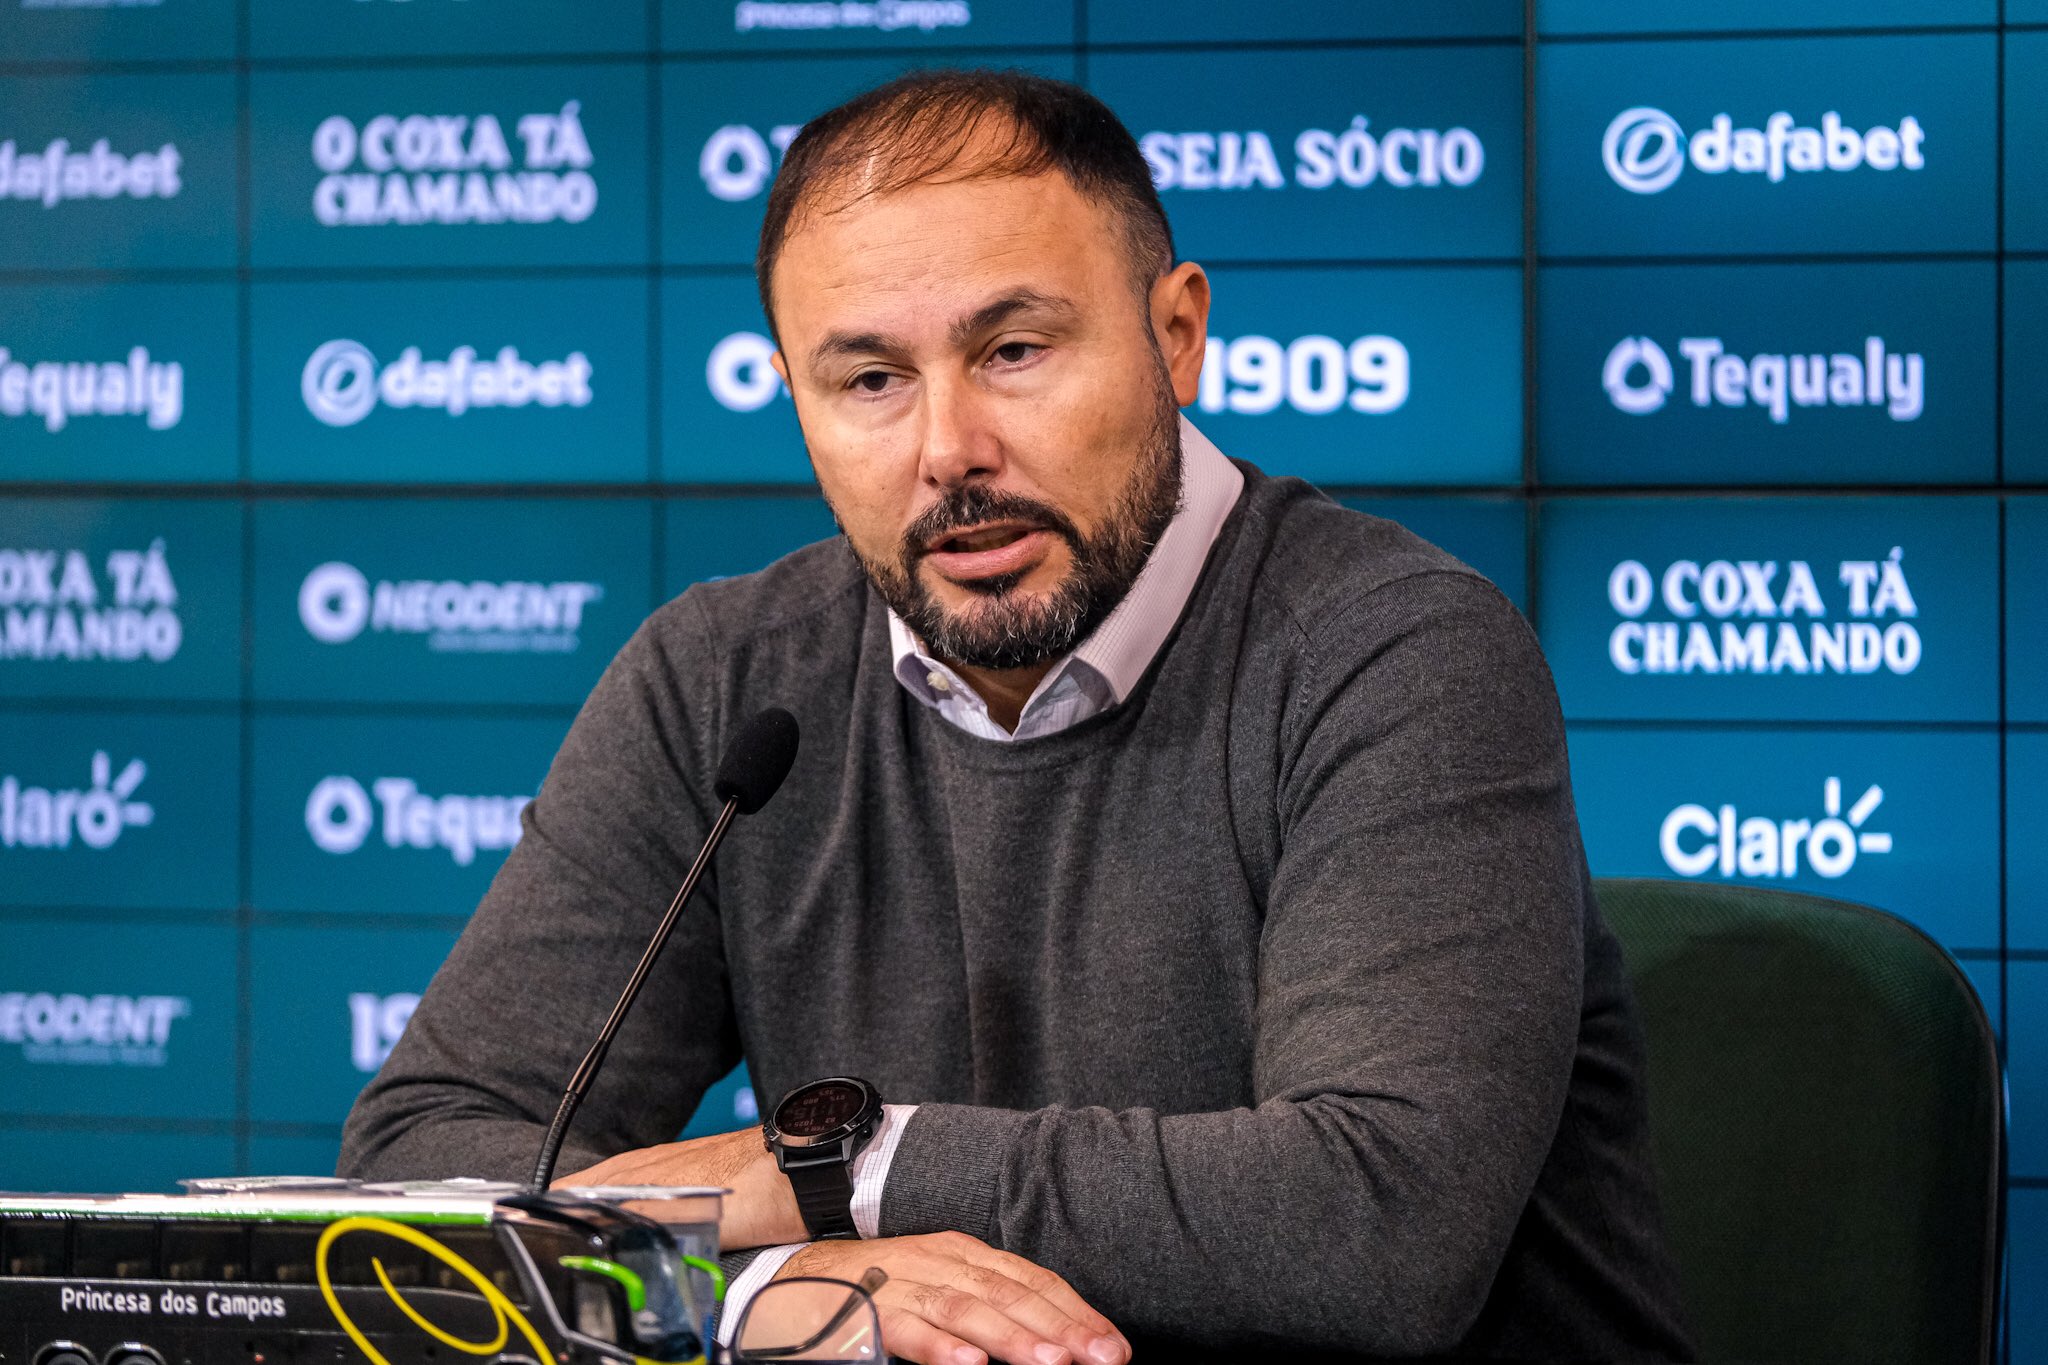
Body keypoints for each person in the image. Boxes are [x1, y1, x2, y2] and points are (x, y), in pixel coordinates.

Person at [341, 68, 1694, 1365]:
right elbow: (423, 1164)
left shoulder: (1395, 648)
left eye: (1015, 351)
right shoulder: (722, 680)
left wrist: (840, 1168)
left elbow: (1381, 1222)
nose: (950, 451)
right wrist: (746, 1289)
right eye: (871, 380)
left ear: (1177, 336)